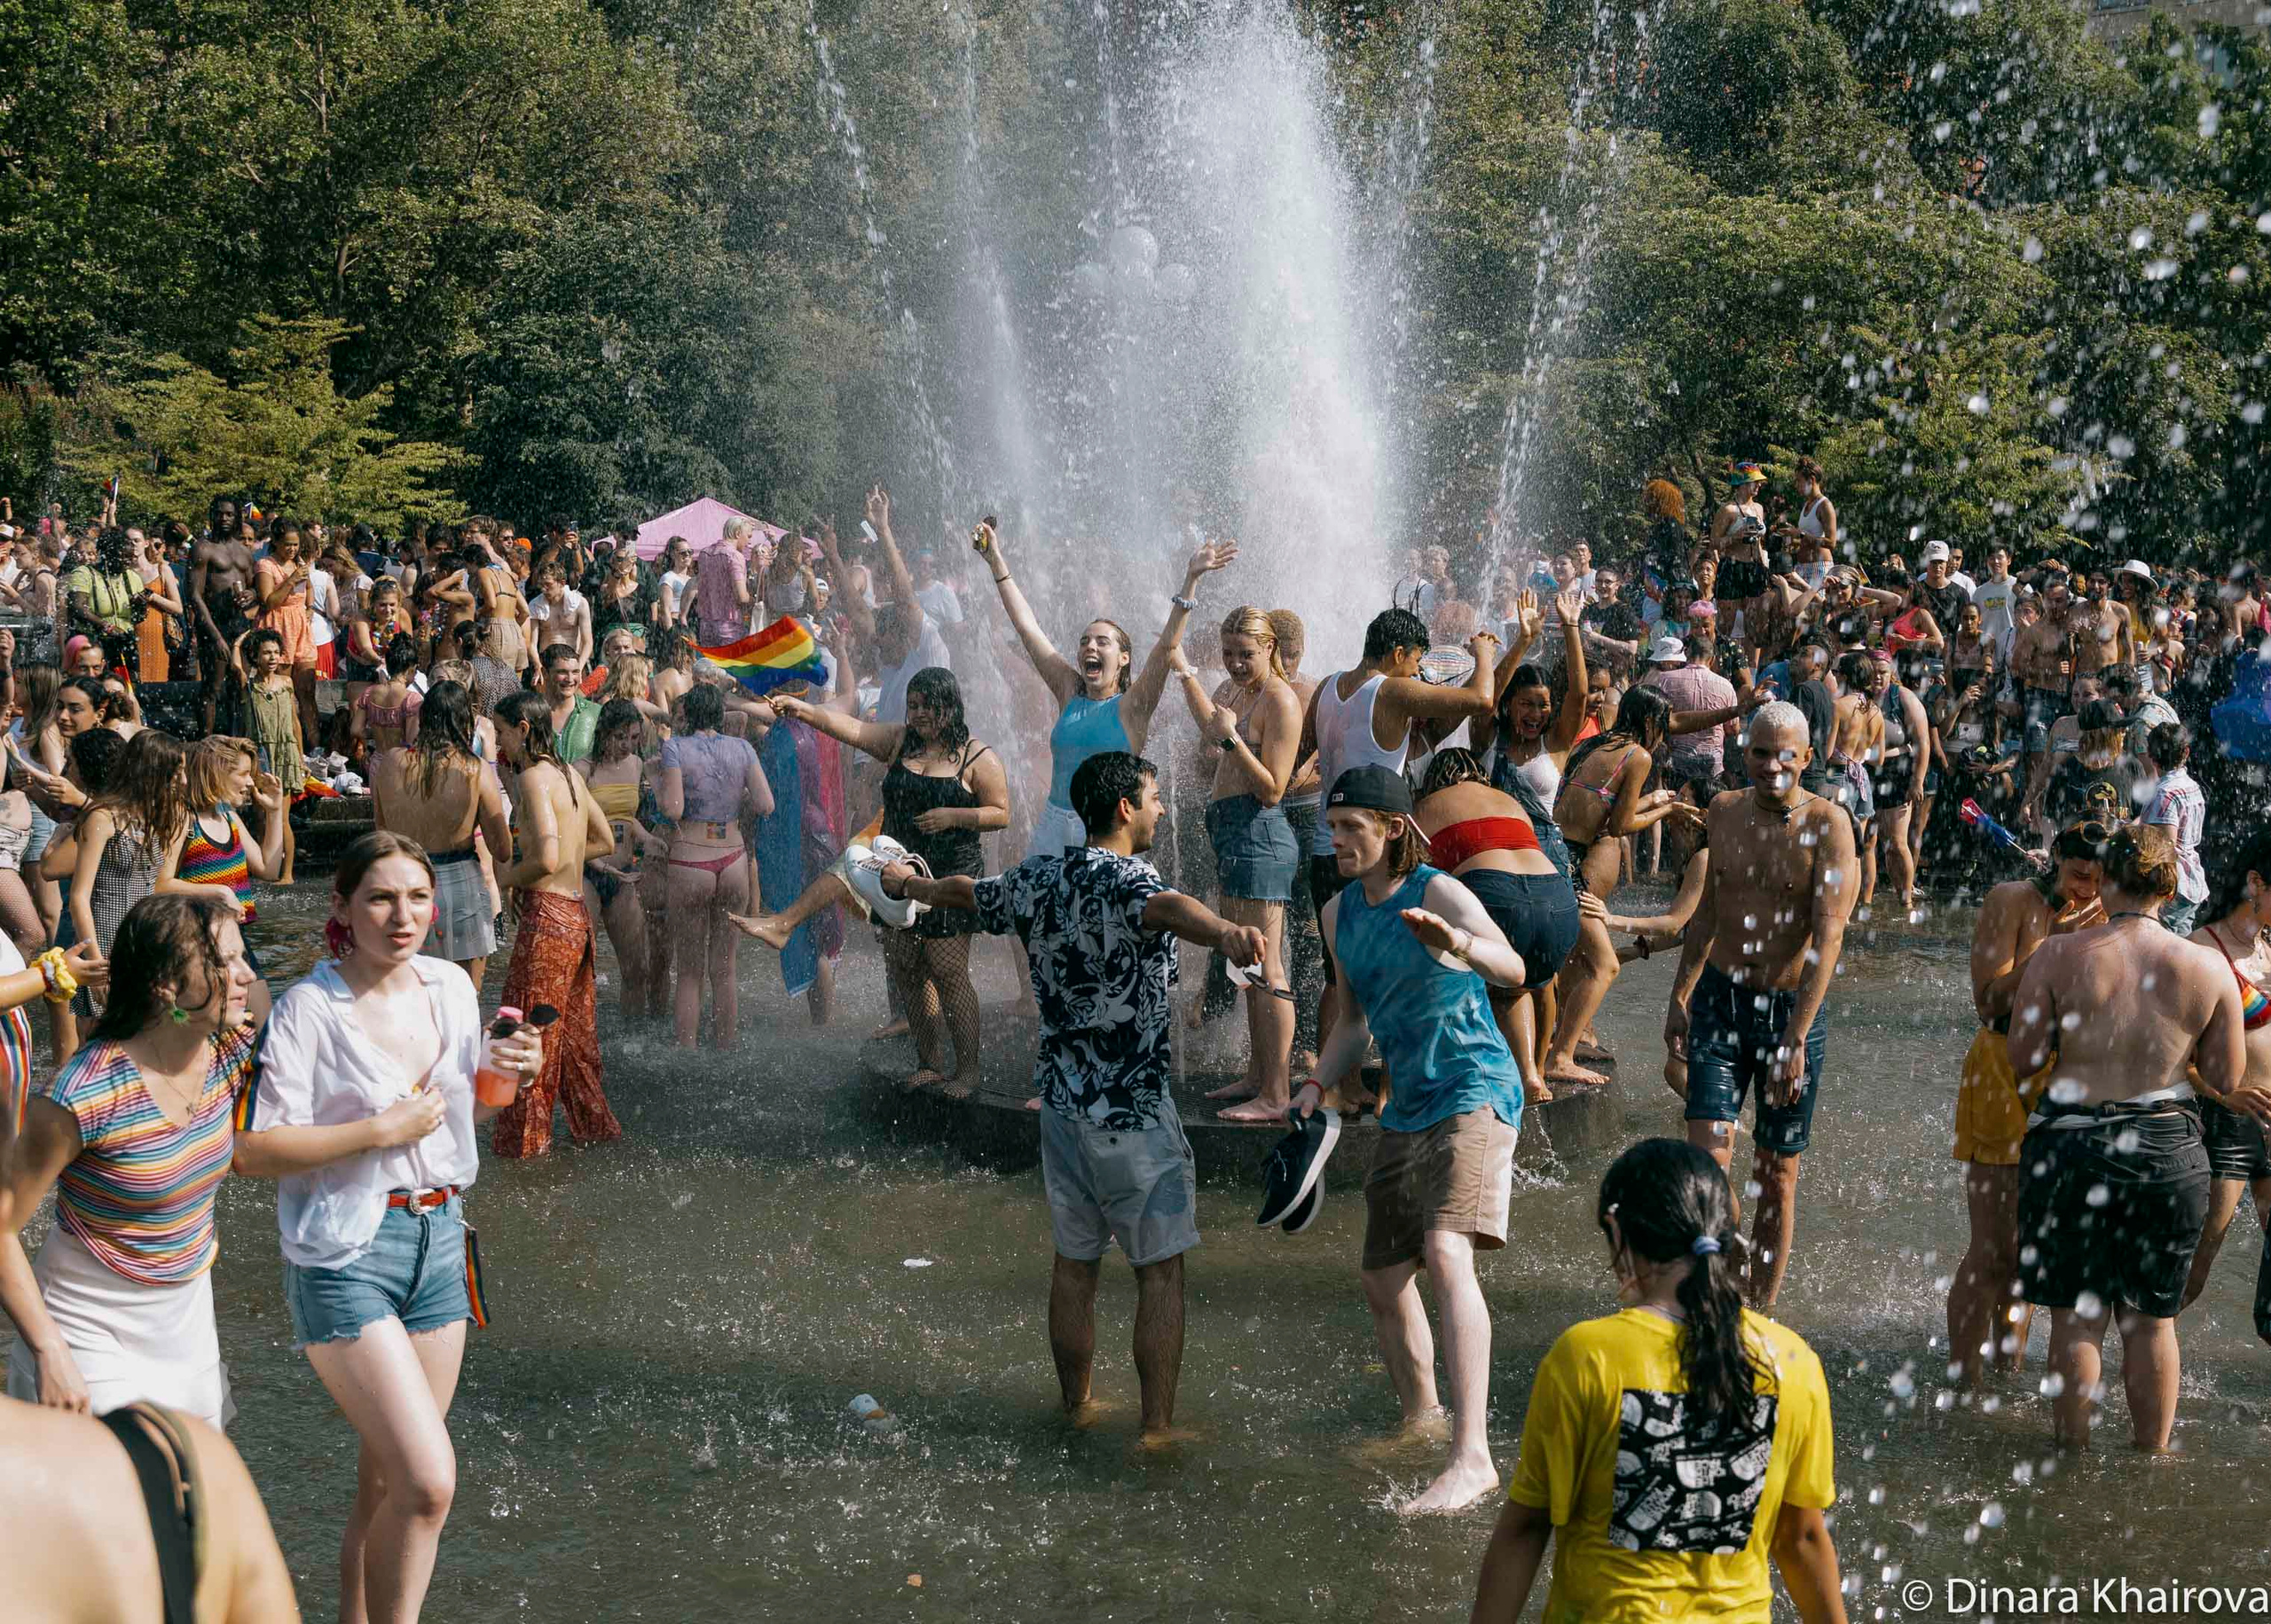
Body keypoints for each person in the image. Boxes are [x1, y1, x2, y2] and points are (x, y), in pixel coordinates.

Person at [878, 752, 1265, 1439]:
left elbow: (969, 892)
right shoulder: (1134, 881)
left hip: (1061, 1108)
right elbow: (1170, 908)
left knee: (1075, 1265)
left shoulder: (1039, 876)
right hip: (1136, 1115)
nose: (1162, 808)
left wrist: (912, 883)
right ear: (1124, 808)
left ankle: (1076, 1405)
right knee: (1161, 1275)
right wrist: (1227, 931)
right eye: (1153, 797)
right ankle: (1157, 1427)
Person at [233, 831, 546, 1624]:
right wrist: (377, 1129)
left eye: (416, 896)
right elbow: (254, 1149)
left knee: (386, 1484)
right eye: (379, 896)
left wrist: (512, 1070)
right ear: (341, 907)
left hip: (440, 1245)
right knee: (429, 1480)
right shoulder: (310, 1008)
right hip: (346, 1254)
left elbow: (468, 1107)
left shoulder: (445, 985)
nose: (402, 914)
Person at [1470, 1138, 1847, 1624]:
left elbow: (1526, 1528)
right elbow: (1802, 1540)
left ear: (1619, 1235)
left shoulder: (1588, 1358)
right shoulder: (1791, 1361)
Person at [1293, 765, 1528, 1514]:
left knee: (1446, 1248)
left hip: (1474, 1085)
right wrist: (1313, 1082)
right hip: (1408, 1103)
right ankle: (1421, 1416)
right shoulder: (1339, 913)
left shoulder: (1438, 890)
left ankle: (1473, 1456)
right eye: (1332, 829)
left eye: (1350, 828)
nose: (1336, 841)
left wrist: (1456, 940)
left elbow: (1515, 964)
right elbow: (1354, 1024)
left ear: (1392, 828)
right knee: (1383, 1274)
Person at [2008, 825, 2249, 1451]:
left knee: (2078, 1313)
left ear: (2107, 880)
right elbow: (2227, 1076)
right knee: (2150, 1320)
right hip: (2167, 1149)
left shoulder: (2058, 955)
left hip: (2071, 1144)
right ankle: (2153, 1459)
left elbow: (2024, 1057)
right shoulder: (2206, 965)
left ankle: (2071, 1455)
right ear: (2171, 888)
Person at [3, 896, 247, 1424]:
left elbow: (258, 1147)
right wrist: (49, 1348)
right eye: (226, 962)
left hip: (186, 1318)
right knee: (116, 1490)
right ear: (166, 985)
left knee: (189, 1495)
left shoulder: (228, 1049)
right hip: (86, 1321)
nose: (247, 975)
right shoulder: (84, 1094)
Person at [1664, 702, 1858, 1309]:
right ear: (1743, 753)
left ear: (1806, 757)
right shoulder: (1723, 811)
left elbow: (1829, 941)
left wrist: (1797, 1037)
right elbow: (1707, 917)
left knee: (1776, 1175)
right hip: (1720, 1002)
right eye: (1758, 751)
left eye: (1784, 754)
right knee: (1706, 1163)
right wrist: (1680, 993)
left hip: (1787, 1014)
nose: (1771, 765)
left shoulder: (1829, 825)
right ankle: (1717, 1288)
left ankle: (1761, 1309)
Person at [754, 673, 1010, 1094]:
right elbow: (851, 729)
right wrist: (804, 710)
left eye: (930, 705)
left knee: (948, 971)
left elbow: (1001, 812)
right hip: (897, 873)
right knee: (909, 968)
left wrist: (955, 816)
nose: (920, 713)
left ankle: (967, 1070)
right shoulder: (899, 742)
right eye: (914, 705)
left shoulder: (977, 757)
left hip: (950, 876)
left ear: (952, 707)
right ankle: (929, 1063)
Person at [1302, 607, 1502, 1102]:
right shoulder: (1389, 689)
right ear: (1397, 655)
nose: (1417, 674)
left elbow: (1351, 750)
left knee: (1339, 973)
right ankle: (1392, 1089)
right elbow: (1481, 698)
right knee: (1398, 965)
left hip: (1330, 842)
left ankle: (1340, 1088)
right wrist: (1484, 652)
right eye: (1416, 664)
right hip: (1377, 849)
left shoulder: (1328, 687)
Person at [1945, 823, 2105, 1390]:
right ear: (2057, 859)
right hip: (1999, 1063)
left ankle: (2008, 1370)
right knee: (1992, 1249)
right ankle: (1962, 1383)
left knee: (2030, 1247)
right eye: (2077, 875)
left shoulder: (2110, 917)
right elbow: (1986, 998)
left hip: (2067, 1075)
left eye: (2098, 879)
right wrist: (2050, 952)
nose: (2086, 889)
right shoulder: (2012, 900)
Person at [978, 530, 1227, 856]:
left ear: (1124, 658)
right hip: (1054, 825)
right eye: (1084, 642)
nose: (1090, 647)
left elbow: (1167, 646)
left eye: (1101, 642)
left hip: (1108, 832)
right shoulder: (1069, 691)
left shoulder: (1133, 707)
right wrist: (996, 562)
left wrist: (1190, 579)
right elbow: (1027, 627)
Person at [1169, 608, 1307, 1121]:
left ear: (1270, 648)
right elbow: (1211, 726)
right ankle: (1257, 1074)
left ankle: (1275, 1093)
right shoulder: (1235, 692)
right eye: (1228, 654)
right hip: (1232, 834)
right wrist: (1186, 675)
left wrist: (1231, 739)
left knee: (1267, 966)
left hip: (1259, 834)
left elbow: (1274, 789)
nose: (1235, 664)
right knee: (1246, 963)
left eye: (1245, 654)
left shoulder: (1280, 700)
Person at [1541, 686, 1698, 1090]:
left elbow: (1601, 809)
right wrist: (1669, 808)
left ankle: (1555, 1045)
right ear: (1650, 721)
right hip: (1569, 863)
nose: (1662, 735)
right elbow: (1619, 827)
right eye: (1662, 725)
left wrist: (1653, 800)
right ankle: (1560, 1056)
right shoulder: (1639, 756)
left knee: (1570, 960)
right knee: (1604, 963)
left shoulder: (1595, 743)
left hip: (1550, 849)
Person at [490, 689, 620, 1157]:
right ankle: (599, 1135)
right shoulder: (570, 776)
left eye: (503, 733)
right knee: (575, 1043)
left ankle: (524, 1152)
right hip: (578, 920)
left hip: (547, 920)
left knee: (525, 1034)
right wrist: (568, 859)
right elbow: (605, 840)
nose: (500, 744)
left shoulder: (533, 778)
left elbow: (544, 858)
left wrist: (505, 876)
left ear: (523, 729)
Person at [1413, 749, 1581, 1106]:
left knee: (1453, 971)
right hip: (1559, 901)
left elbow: (1412, 873)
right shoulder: (1507, 799)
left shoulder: (1428, 805)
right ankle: (1532, 1074)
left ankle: (1453, 1074)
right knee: (1523, 986)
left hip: (1496, 894)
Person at [2181, 830, 2271, 1313]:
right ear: (2255, 883)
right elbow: (2175, 1060)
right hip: (2228, 1128)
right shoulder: (2202, 949)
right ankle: (2139, 1357)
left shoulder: (2268, 945)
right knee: (2197, 1264)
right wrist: (2224, 1095)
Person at [373, 681, 512, 992]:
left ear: (423, 717)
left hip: (404, 885)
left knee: (407, 994)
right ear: (466, 721)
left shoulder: (390, 763)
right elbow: (502, 849)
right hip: (460, 887)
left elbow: (381, 833)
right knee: (464, 995)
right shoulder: (474, 770)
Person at [656, 683, 773, 1047]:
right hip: (734, 859)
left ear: (687, 714)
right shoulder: (742, 748)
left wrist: (655, 782)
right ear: (720, 715)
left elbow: (673, 810)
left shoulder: (675, 747)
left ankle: (686, 1053)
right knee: (725, 970)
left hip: (692, 859)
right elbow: (766, 804)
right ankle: (726, 1048)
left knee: (690, 971)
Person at [156, 736, 291, 1023]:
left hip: (235, 940)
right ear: (216, 772)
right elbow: (160, 884)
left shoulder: (227, 815)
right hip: (196, 943)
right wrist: (218, 892)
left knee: (264, 1027)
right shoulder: (184, 818)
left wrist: (275, 812)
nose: (250, 784)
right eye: (242, 774)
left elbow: (268, 868)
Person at [68, 729, 193, 1022]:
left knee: (153, 1034)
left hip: (145, 941)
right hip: (106, 946)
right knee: (103, 1043)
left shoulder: (155, 817)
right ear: (153, 771)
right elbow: (79, 897)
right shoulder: (103, 817)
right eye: (178, 773)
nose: (184, 782)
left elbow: (156, 886)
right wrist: (96, 966)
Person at [580, 698, 664, 1024]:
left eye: (633, 738)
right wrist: (599, 864)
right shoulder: (582, 770)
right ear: (603, 734)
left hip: (624, 874)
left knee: (636, 968)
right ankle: (582, 1038)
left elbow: (626, 818)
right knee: (581, 966)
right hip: (589, 873)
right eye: (620, 737)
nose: (627, 745)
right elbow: (572, 829)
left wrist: (647, 838)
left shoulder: (635, 766)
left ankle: (631, 1041)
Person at [252, 520, 323, 749]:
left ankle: (315, 746)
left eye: (295, 545)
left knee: (307, 691)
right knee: (283, 691)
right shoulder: (266, 565)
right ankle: (289, 748)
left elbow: (309, 588)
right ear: (276, 542)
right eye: (287, 545)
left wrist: (310, 607)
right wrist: (291, 580)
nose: (292, 549)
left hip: (300, 627)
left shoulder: (299, 563)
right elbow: (268, 601)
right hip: (277, 626)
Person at [2144, 722, 2207, 936]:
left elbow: (2165, 848)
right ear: (2186, 752)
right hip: (2192, 881)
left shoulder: (2164, 794)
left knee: (2163, 948)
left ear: (2151, 756)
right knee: (2182, 945)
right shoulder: (2192, 787)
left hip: (2172, 887)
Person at [65, 525, 146, 679]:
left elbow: (138, 618)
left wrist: (140, 607)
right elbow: (77, 607)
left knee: (129, 690)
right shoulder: (84, 573)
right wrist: (107, 627)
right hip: (93, 646)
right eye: (124, 557)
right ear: (109, 555)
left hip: (124, 645)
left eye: (131, 557)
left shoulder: (132, 578)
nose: (129, 562)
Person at [538, 642, 601, 767]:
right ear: (545, 673)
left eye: (575, 672)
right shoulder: (530, 713)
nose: (570, 679)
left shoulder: (596, 713)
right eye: (562, 672)